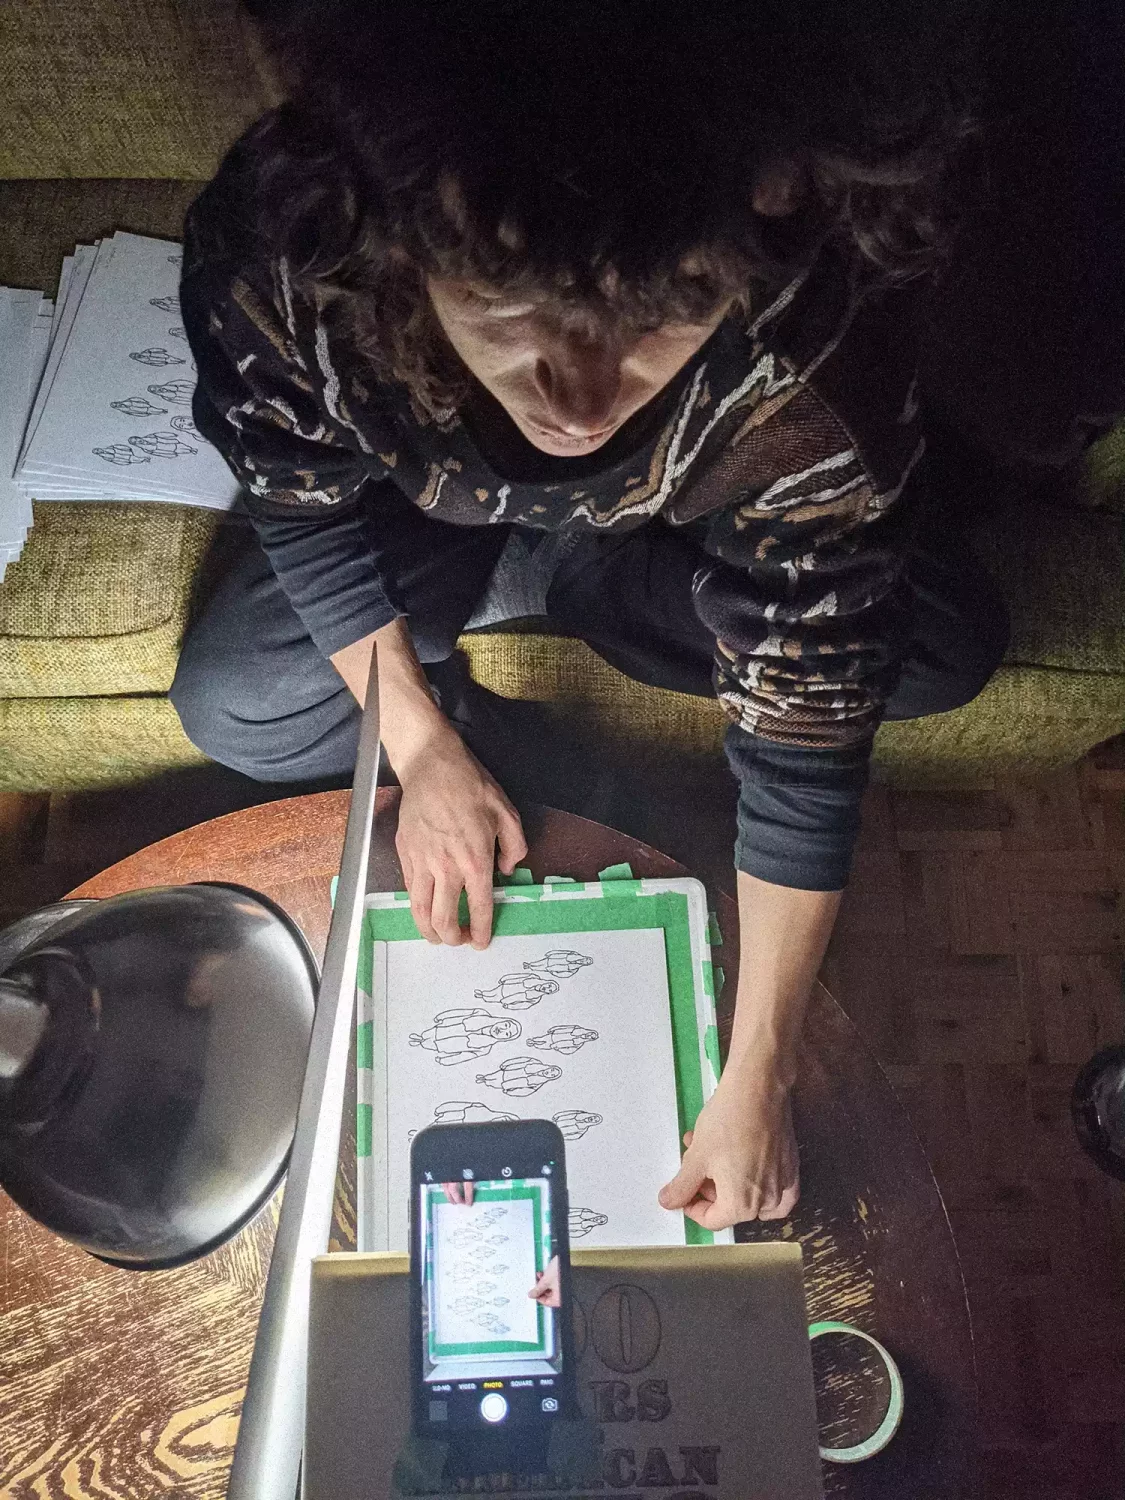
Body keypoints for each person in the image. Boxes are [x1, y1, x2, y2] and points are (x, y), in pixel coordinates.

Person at [172, 1, 1008, 1232]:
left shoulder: (812, 347)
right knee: (232, 700)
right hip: (429, 526)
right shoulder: (292, 257)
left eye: (659, 319)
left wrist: (758, 1070)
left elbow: (811, 720)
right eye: (511, 320)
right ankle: (503, 712)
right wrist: (421, 749)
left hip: (671, 537)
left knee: (935, 645)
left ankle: (568, 590)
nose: (579, 400)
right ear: (401, 245)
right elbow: (299, 502)